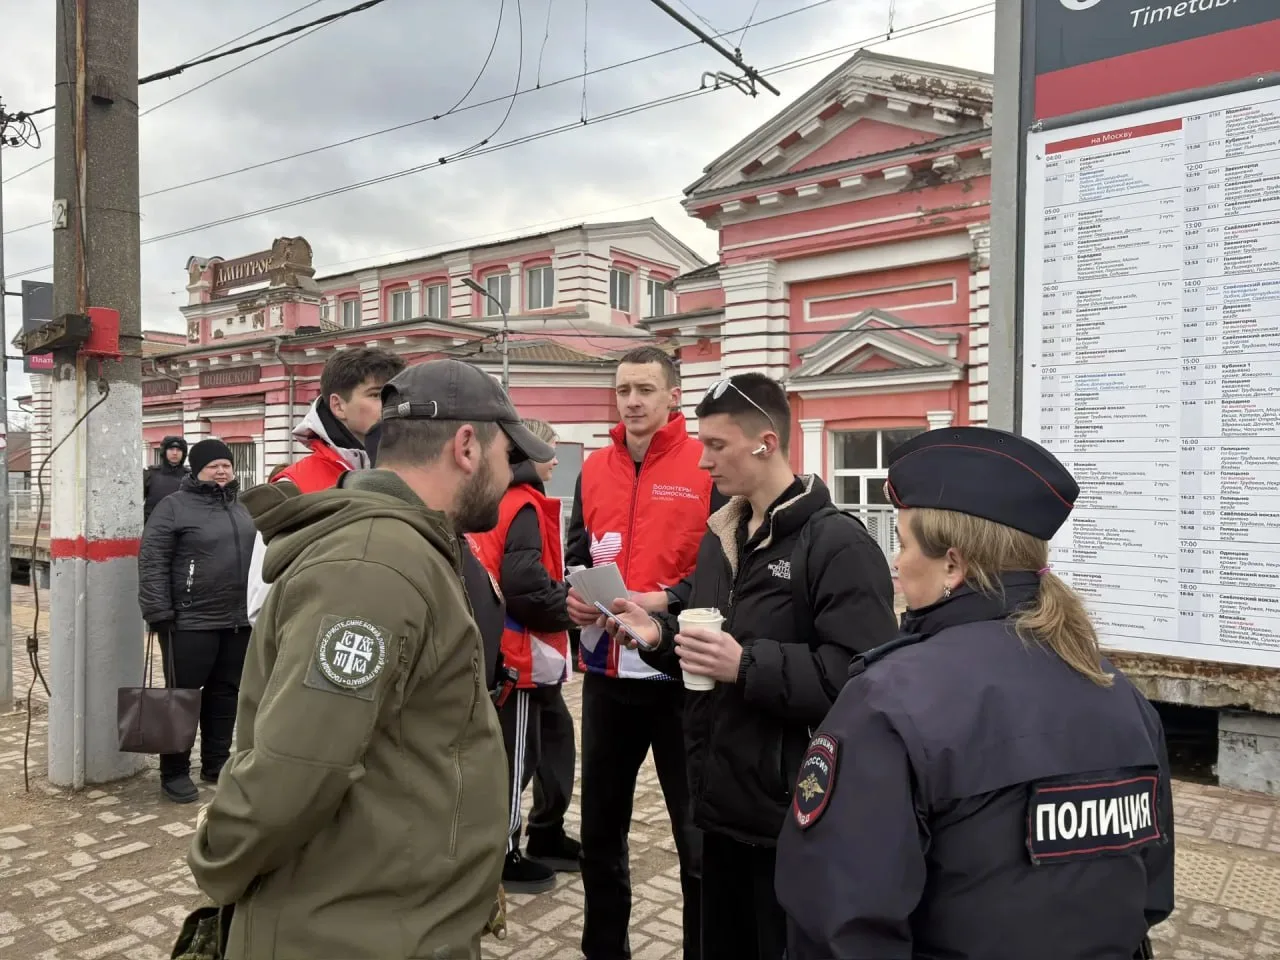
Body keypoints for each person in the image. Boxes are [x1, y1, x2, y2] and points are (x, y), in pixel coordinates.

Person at [188, 358, 556, 960]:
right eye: (506, 454)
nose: (510, 472)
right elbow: (292, 771)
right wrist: (217, 862)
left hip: (387, 912)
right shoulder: (372, 566)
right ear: (467, 446)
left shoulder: (408, 548)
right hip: (350, 932)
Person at [773, 427, 1175, 960]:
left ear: (953, 564)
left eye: (903, 543)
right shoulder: (1118, 692)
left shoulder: (888, 700)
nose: (895, 562)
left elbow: (838, 925)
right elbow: (1149, 896)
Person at [602, 373, 897, 960]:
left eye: (717, 445)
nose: (702, 460)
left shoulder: (837, 544)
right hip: (718, 802)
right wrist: (657, 635)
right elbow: (711, 636)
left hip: (791, 817)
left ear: (766, 442)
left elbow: (866, 678)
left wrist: (748, 665)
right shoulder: (723, 535)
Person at [565, 345, 713, 960]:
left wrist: (663, 601)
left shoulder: (706, 465)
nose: (632, 401)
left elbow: (719, 573)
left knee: (695, 840)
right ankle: (604, 950)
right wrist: (573, 600)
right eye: (623, 389)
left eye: (645, 389)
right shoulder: (594, 467)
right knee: (600, 833)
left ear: (673, 396)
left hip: (679, 677)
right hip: (606, 675)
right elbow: (576, 551)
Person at [468, 418, 580, 894]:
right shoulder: (523, 503)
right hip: (520, 653)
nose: (556, 457)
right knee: (518, 755)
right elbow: (523, 583)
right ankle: (504, 853)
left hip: (516, 648)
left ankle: (544, 832)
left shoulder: (499, 498)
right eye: (548, 448)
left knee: (552, 740)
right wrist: (569, 608)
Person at [245, 347, 405, 625]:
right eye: (377, 395)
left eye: (395, 396)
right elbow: (263, 606)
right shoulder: (294, 486)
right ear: (338, 405)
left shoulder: (413, 475)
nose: (390, 407)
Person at [138, 439, 254, 804]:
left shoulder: (241, 507)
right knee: (181, 696)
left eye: (226, 465)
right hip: (188, 620)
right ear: (197, 469)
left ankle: (216, 762)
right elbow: (152, 559)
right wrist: (158, 611)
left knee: (225, 693)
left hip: (236, 619)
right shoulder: (173, 506)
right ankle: (173, 771)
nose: (221, 471)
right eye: (212, 465)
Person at [143, 435, 189, 524]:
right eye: (171, 449)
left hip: (181, 526)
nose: (175, 453)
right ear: (164, 451)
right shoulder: (150, 474)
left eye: (179, 450)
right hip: (153, 526)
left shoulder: (190, 477)